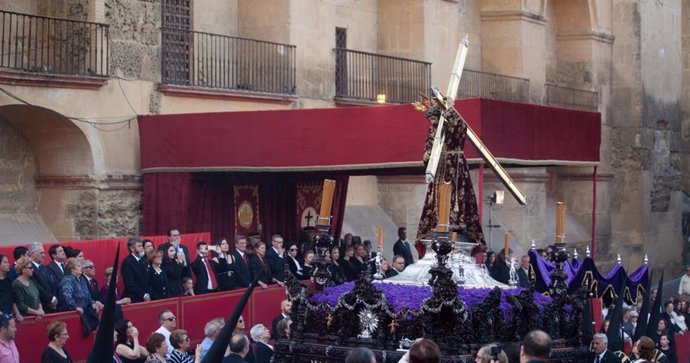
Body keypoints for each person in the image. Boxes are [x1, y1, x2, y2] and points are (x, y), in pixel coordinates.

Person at [416, 105, 485, 246]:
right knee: (437, 196)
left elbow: (461, 129)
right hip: (439, 166)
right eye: (430, 120)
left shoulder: (452, 126)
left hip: (455, 166)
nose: (432, 122)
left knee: (454, 194)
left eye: (434, 118)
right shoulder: (432, 129)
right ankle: (438, 222)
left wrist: (450, 115)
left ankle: (455, 222)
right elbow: (429, 145)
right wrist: (427, 154)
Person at [27, 243, 58, 312]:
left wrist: (54, 298)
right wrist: (51, 298)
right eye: (41, 253)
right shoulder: (29, 268)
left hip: (52, 305)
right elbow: (36, 286)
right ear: (33, 253)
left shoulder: (44, 267)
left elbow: (52, 283)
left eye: (44, 253)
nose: (44, 255)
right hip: (41, 306)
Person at [121, 237, 151, 303]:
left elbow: (147, 279)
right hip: (133, 299)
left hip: (146, 298)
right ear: (132, 248)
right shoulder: (127, 262)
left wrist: (148, 293)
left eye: (142, 245)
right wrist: (143, 295)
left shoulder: (143, 260)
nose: (142, 248)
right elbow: (130, 284)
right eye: (139, 246)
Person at [0, 255, 20, 321]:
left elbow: (12, 299)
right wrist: (3, 316)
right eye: (5, 262)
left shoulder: (8, 280)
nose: (8, 264)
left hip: (10, 316)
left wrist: (17, 314)